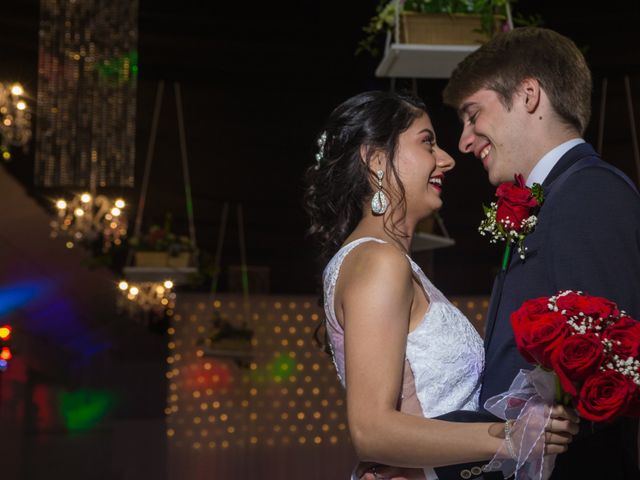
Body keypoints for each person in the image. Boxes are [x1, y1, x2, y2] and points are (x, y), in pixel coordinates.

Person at [304, 90, 578, 480]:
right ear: (378, 161)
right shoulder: (379, 262)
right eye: (427, 142)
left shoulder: (380, 261)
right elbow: (371, 430)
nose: (447, 159)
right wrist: (509, 438)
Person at [437, 27, 640, 480]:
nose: (465, 141)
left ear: (528, 95)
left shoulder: (591, 193)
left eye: (473, 115)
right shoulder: (553, 196)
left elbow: (614, 369)